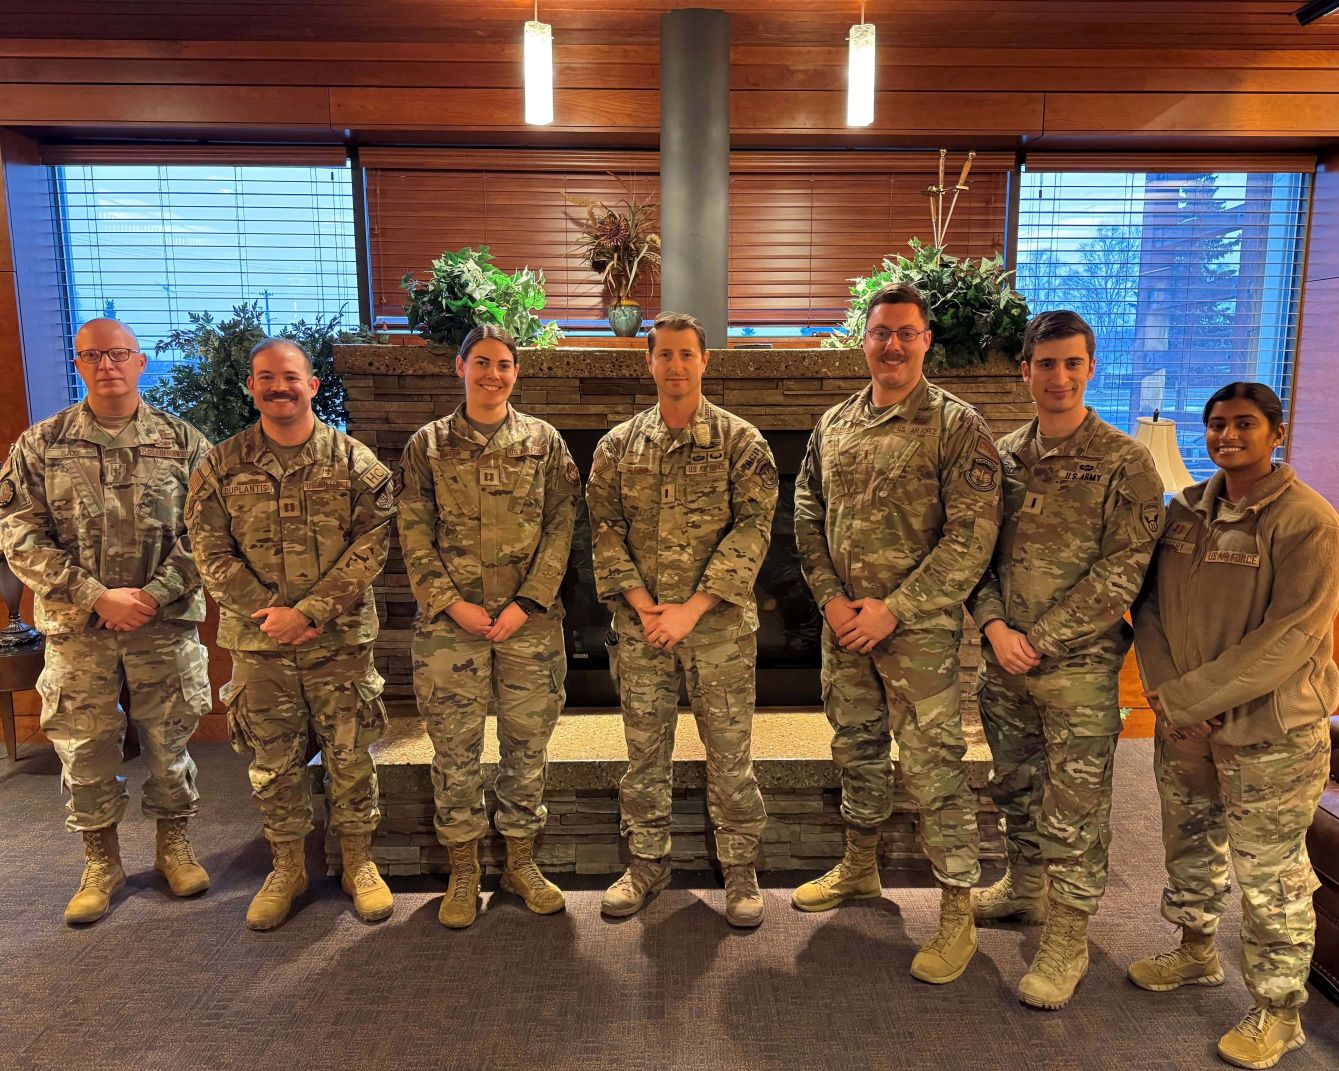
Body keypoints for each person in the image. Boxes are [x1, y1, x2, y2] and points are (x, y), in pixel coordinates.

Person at [791, 282, 1002, 985]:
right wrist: (829, 598)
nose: (891, 344)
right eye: (880, 332)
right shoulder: (834, 423)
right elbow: (806, 512)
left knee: (933, 769)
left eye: (905, 332)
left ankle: (955, 913)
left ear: (924, 341)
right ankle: (859, 866)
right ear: (865, 340)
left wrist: (894, 608)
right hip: (844, 629)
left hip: (917, 637)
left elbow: (970, 536)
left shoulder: (955, 424)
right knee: (855, 748)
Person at [1131, 382, 1339, 1069]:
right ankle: (1194, 952)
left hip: (1271, 733)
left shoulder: (1306, 519)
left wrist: (1193, 697)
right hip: (1185, 719)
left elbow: (1290, 635)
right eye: (1216, 424)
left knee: (1271, 873)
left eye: (1243, 423)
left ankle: (1279, 1011)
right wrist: (1166, 694)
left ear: (1274, 432)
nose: (1226, 435)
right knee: (1189, 839)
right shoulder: (1185, 510)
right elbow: (1151, 607)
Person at [967, 310, 1163, 1008]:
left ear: (1089, 369)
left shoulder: (1123, 460)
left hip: (1075, 667)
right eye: (1044, 363)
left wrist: (1039, 638)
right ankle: (1024, 888)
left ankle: (1068, 935)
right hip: (1002, 662)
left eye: (1070, 363)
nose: (1057, 376)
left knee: (1074, 803)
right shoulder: (998, 454)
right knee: (1015, 785)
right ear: (1024, 370)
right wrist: (992, 627)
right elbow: (971, 551)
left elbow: (1123, 570)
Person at [0, 318, 212, 924]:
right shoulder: (42, 444)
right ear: (78, 364)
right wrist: (96, 595)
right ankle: (101, 862)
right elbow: (17, 532)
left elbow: (210, 532)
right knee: (85, 746)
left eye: (119, 354)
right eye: (94, 356)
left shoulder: (182, 440)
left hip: (163, 619)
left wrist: (153, 592)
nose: (108, 365)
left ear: (140, 362)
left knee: (169, 742)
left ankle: (175, 847)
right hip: (78, 626)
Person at [185, 337, 395, 931]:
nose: (279, 386)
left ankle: (359, 865)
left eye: (291, 376)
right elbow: (209, 551)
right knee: (272, 763)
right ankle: (287, 868)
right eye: (266, 377)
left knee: (351, 759)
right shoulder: (219, 466)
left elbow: (372, 545)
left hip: (340, 642)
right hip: (259, 646)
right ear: (252, 386)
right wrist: (269, 612)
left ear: (312, 385)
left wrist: (311, 612)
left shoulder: (355, 463)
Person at [586, 311, 777, 927]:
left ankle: (741, 872)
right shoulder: (617, 447)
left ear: (704, 361)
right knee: (645, 755)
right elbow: (604, 530)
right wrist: (647, 610)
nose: (675, 366)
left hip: (717, 629)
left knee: (730, 755)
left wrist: (692, 610)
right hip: (643, 631)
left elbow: (754, 527)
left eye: (686, 355)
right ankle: (646, 864)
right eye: (664, 355)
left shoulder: (740, 442)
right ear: (649, 363)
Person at [398, 325, 579, 929]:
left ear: (515, 374)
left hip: (528, 624)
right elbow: (413, 531)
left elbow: (562, 525)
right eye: (481, 363)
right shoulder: (427, 445)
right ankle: (464, 870)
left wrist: (527, 602)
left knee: (527, 747)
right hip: (453, 628)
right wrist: (453, 604)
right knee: (455, 750)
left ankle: (522, 863)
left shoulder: (544, 442)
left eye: (503, 365)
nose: (492, 374)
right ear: (460, 368)